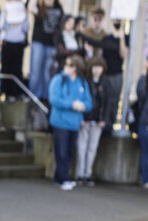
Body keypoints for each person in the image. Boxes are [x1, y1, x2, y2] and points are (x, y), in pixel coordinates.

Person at [48, 54, 90, 190]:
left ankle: (58, 177)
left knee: (70, 152)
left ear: (77, 67)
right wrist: (72, 104)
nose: (68, 67)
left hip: (74, 123)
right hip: (60, 122)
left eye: (71, 65)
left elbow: (89, 101)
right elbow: (54, 99)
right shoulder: (58, 80)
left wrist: (83, 106)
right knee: (61, 151)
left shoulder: (82, 82)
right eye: (66, 64)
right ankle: (64, 178)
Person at [75, 56, 111, 186]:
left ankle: (87, 174)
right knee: (82, 146)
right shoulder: (86, 81)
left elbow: (108, 103)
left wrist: (104, 119)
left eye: (99, 67)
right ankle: (79, 174)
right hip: (86, 119)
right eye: (95, 67)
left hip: (98, 120)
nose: (97, 70)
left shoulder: (106, 83)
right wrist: (82, 117)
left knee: (92, 148)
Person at [28, 0, 63, 99]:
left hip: (52, 44)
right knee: (35, 71)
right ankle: (35, 97)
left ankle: (46, 97)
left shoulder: (59, 8)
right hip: (38, 42)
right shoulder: (39, 7)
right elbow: (30, 7)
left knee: (47, 73)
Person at [0, 0, 28, 99]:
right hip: (7, 44)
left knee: (17, 69)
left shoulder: (22, 10)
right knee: (6, 68)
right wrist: (5, 17)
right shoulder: (5, 10)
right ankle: (6, 92)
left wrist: (24, 14)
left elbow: (26, 28)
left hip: (19, 44)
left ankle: (16, 93)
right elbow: (1, 27)